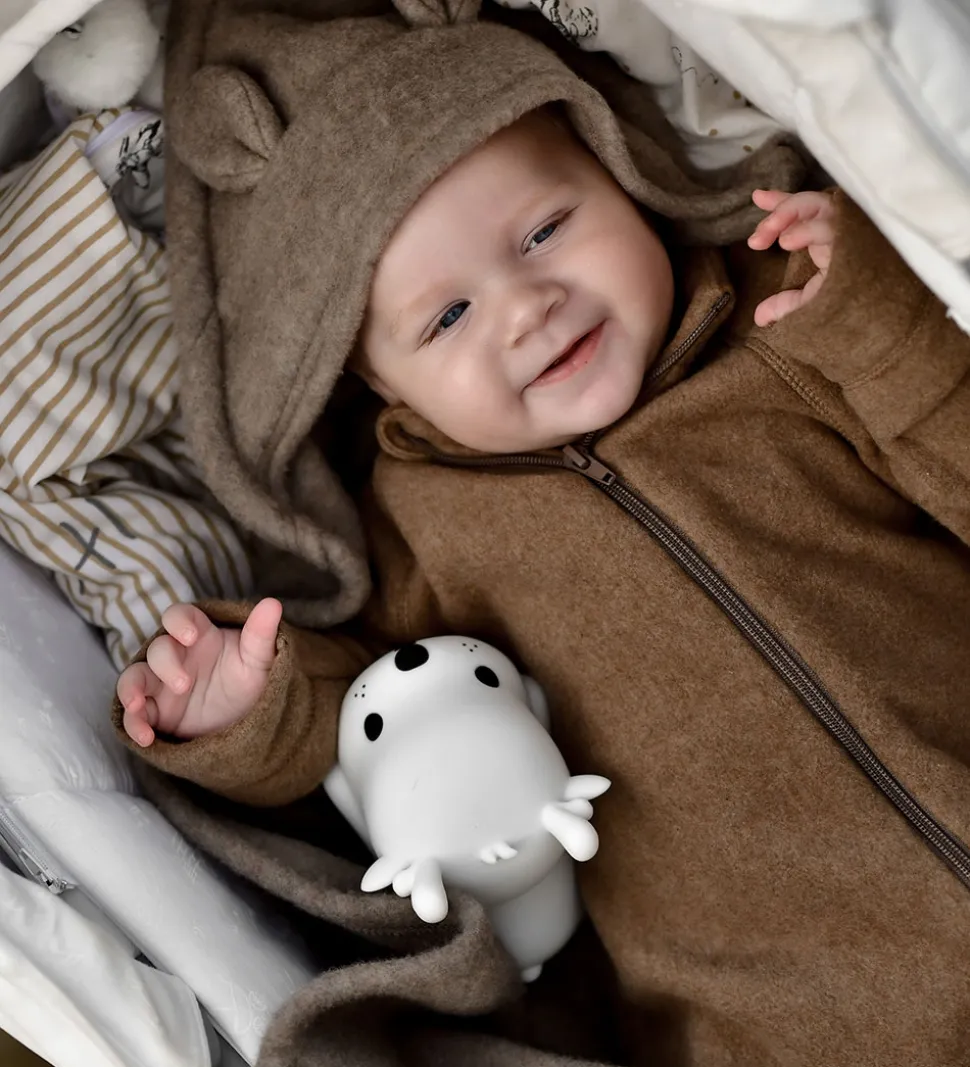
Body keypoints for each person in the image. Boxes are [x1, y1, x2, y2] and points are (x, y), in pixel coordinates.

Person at [112, 4, 970, 1064]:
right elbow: (383, 740)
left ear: (622, 172)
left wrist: (884, 327)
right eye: (446, 317)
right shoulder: (421, 529)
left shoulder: (787, 321)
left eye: (544, 231)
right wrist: (253, 714)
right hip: (785, 1023)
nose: (525, 306)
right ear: (377, 382)